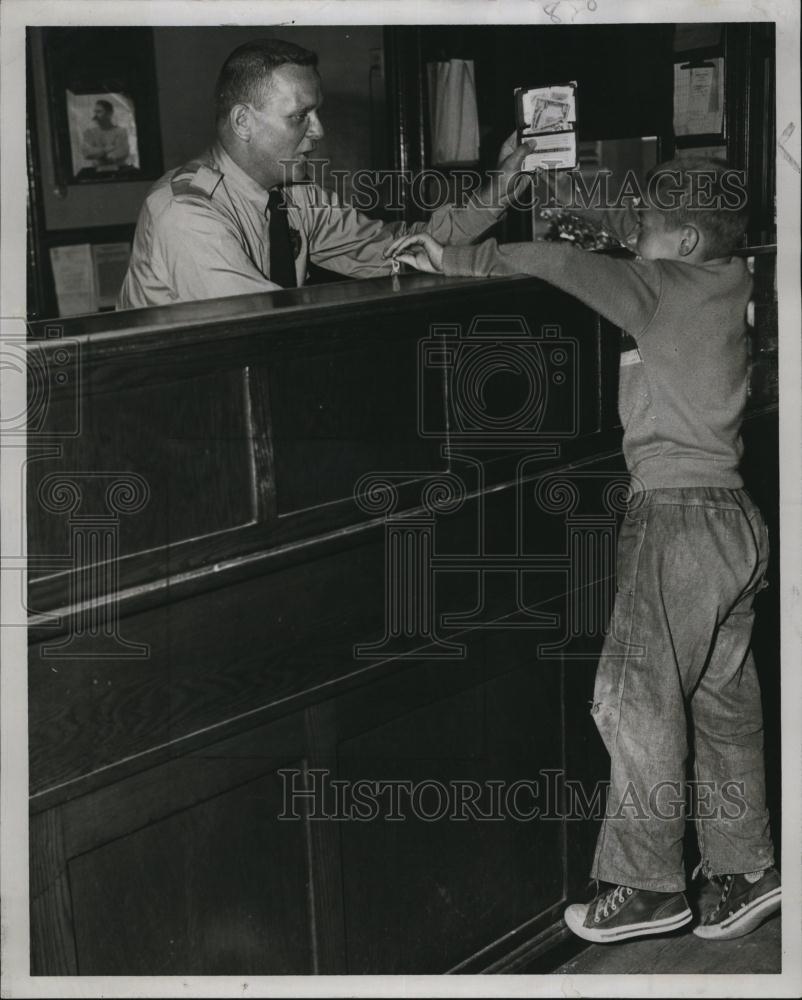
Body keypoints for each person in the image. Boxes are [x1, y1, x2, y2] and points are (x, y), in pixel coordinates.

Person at [386, 158, 781, 943]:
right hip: (736, 520)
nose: (636, 238)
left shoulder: (659, 286)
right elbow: (624, 257)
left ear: (685, 237)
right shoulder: (730, 278)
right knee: (722, 703)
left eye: (649, 227)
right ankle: (745, 870)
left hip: (674, 517)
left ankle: (646, 886)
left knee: (632, 698)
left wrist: (450, 256)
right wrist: (622, 230)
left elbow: (559, 260)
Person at [117, 38, 525, 310]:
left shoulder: (296, 196)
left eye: (316, 113)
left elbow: (405, 248)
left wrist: (498, 193)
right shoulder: (184, 212)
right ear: (243, 122)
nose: (319, 131)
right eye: (299, 117)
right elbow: (258, 329)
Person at [82, 100, 130, 168]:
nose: (95, 116)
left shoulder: (121, 131)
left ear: (109, 113)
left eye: (99, 112)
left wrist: (98, 153)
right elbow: (87, 153)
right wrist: (105, 150)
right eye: (95, 112)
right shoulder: (89, 133)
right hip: (96, 173)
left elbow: (123, 152)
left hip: (119, 172)